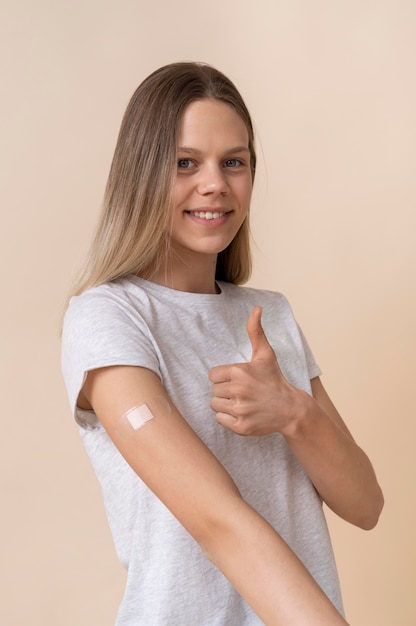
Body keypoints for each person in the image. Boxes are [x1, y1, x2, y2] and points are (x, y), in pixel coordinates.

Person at [61, 62, 384, 625]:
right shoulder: (107, 319)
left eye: (233, 162)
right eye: (186, 163)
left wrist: (294, 414)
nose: (215, 183)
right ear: (142, 174)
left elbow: (365, 504)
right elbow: (218, 521)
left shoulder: (270, 315)